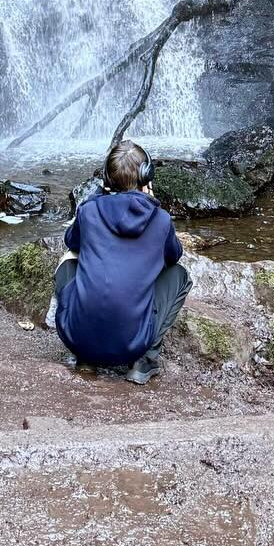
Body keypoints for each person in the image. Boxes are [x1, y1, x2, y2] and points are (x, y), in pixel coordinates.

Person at [50, 139, 191, 383]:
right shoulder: (161, 219)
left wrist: (97, 196)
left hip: (77, 338)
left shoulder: (89, 210)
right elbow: (173, 256)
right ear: (147, 177)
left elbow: (71, 242)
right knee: (179, 275)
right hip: (132, 344)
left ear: (105, 178)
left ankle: (86, 358)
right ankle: (144, 361)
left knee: (68, 263)